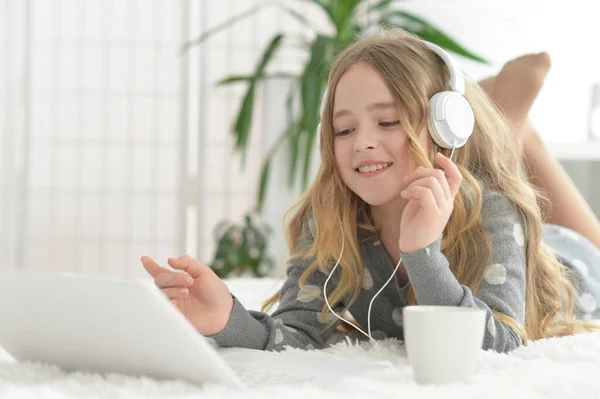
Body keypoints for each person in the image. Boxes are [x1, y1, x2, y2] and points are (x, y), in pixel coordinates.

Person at [141, 28, 600, 354]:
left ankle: (516, 130)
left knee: (517, 184)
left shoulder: (495, 213)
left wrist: (423, 255)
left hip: (570, 263)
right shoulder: (333, 217)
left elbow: (499, 350)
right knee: (501, 155)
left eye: (388, 121)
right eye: (344, 129)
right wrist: (228, 320)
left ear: (443, 125)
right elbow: (298, 333)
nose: (362, 141)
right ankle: (505, 125)